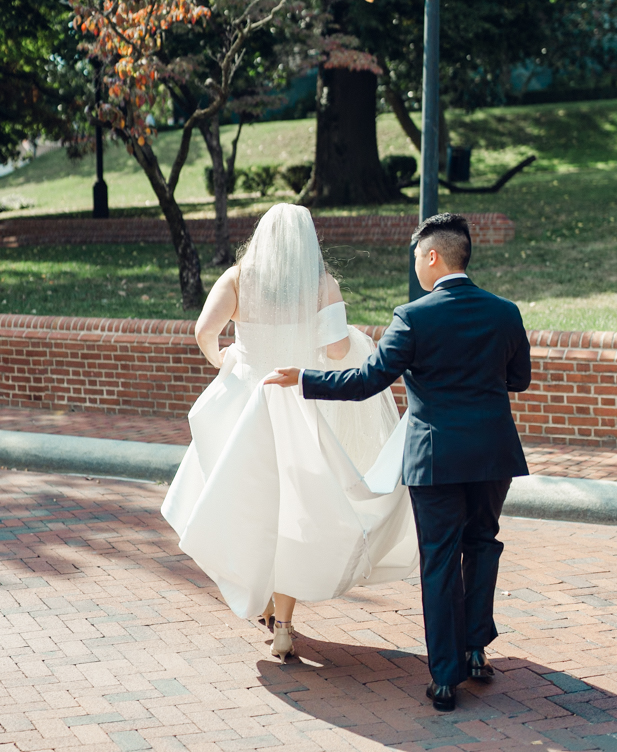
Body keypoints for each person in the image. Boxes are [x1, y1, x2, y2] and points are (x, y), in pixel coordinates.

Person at [266, 212, 531, 711]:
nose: (415, 265)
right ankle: (475, 650)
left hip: (435, 458)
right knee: (482, 544)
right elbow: (519, 379)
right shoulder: (505, 312)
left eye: (416, 256)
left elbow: (367, 380)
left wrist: (304, 380)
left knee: (440, 560)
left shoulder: (413, 317)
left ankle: (446, 679)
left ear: (433, 256)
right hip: (494, 453)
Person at [162, 203, 418, 662]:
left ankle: (255, 595)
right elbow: (339, 349)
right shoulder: (322, 285)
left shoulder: (238, 278)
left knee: (246, 505)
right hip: (299, 406)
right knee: (292, 515)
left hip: (246, 404)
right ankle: (283, 626)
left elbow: (205, 331)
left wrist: (229, 363)